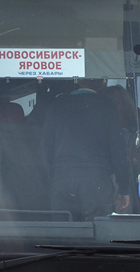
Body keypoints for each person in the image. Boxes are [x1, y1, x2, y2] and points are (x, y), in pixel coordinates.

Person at [41, 79, 134, 220]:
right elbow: (117, 150)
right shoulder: (106, 106)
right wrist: (124, 188)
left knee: (62, 237)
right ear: (104, 82)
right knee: (96, 236)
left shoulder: (57, 106)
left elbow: (45, 149)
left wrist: (54, 179)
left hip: (62, 180)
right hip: (96, 182)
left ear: (77, 81)